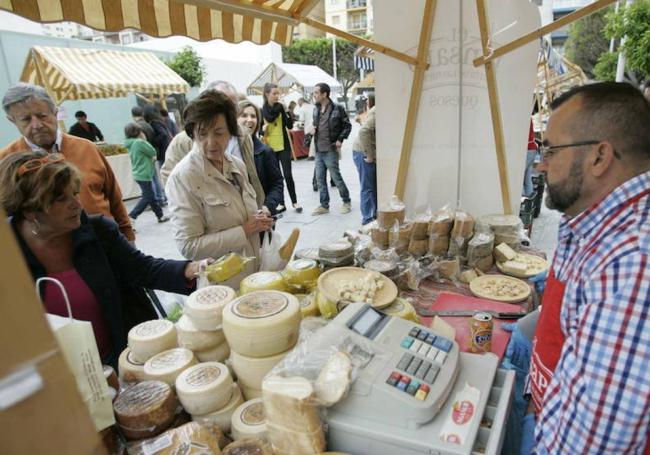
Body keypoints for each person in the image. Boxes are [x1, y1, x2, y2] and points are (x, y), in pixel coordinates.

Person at [524, 82, 649, 453]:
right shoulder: (589, 212)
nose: (541, 163)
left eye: (551, 150)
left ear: (599, 157)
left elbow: (591, 446)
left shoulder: (633, 264)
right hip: (549, 412)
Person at [0, 151, 210, 367]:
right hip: (58, 376)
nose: (77, 204)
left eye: (74, 193)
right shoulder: (7, 255)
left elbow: (142, 269)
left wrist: (193, 268)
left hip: (120, 361)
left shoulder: (98, 231)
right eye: (61, 199)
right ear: (30, 211)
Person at [166, 90, 274, 286]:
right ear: (192, 133)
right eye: (202, 134)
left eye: (219, 132)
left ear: (231, 131)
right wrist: (245, 230)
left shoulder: (236, 165)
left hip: (254, 274)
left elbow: (241, 213)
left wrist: (258, 218)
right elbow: (188, 245)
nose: (211, 142)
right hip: (222, 284)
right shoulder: (183, 178)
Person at [1, 83, 134, 241]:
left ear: (55, 112)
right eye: (26, 119)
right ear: (12, 120)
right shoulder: (7, 162)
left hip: (106, 242)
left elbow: (114, 196)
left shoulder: (87, 148)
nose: (36, 125)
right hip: (50, 257)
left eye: (42, 115)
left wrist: (128, 236)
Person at [160, 81, 264, 210]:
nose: (225, 111)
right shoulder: (183, 140)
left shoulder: (243, 134)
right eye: (217, 104)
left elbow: (250, 174)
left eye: (231, 106)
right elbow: (170, 178)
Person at [309, 82, 352, 216]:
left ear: (324, 94)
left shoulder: (337, 108)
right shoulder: (315, 109)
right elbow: (316, 126)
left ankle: (346, 201)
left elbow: (347, 125)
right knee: (320, 179)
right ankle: (324, 205)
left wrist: (340, 139)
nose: (314, 95)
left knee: (336, 177)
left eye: (316, 93)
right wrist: (312, 130)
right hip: (319, 150)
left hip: (331, 149)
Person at [237, 100, 284, 216]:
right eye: (244, 115)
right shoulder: (226, 150)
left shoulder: (265, 152)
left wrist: (268, 206)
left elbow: (277, 183)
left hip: (261, 216)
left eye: (253, 116)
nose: (249, 119)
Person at [261, 83, 302, 213]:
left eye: (278, 93)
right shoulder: (262, 111)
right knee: (276, 177)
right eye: (274, 93)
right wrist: (262, 130)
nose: (277, 96)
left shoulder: (280, 108)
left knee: (288, 175)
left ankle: (295, 202)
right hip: (270, 148)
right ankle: (281, 203)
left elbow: (289, 126)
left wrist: (287, 112)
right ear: (267, 94)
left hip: (283, 145)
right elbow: (260, 132)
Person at [123, 123, 170, 223]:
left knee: (151, 196)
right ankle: (131, 216)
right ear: (137, 132)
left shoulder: (130, 143)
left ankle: (160, 215)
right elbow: (152, 151)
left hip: (139, 173)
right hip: (144, 173)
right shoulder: (139, 142)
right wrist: (144, 139)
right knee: (147, 196)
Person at [352, 93, 377, 225]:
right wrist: (369, 154)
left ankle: (375, 217)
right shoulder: (378, 110)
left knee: (373, 186)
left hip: (366, 151)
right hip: (362, 152)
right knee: (367, 187)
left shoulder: (376, 110)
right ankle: (367, 221)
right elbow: (364, 132)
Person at [143, 105, 171, 206]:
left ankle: (168, 196)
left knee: (165, 174)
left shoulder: (154, 123)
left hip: (163, 152)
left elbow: (163, 134)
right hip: (166, 151)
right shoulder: (158, 121)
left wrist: (154, 142)